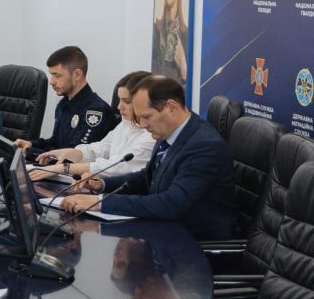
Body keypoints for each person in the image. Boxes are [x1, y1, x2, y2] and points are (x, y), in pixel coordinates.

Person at [60, 75, 236, 240]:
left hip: (195, 245)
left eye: (146, 117)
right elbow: (147, 177)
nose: (142, 124)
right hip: (165, 232)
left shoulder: (203, 146)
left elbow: (171, 203)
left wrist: (100, 202)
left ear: (171, 107)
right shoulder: (168, 132)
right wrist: (102, 184)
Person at [30, 70, 156, 182]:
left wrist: (64, 168)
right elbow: (101, 148)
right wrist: (70, 153)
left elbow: (116, 167)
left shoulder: (152, 134)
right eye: (119, 100)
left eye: (126, 101)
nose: (119, 107)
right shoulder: (127, 123)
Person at [16, 46, 118, 157]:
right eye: (51, 75)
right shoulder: (64, 104)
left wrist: (30, 152)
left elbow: (73, 155)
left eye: (57, 76)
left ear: (77, 75)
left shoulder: (95, 111)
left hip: (76, 167)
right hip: (59, 165)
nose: (51, 82)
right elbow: (55, 142)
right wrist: (31, 144)